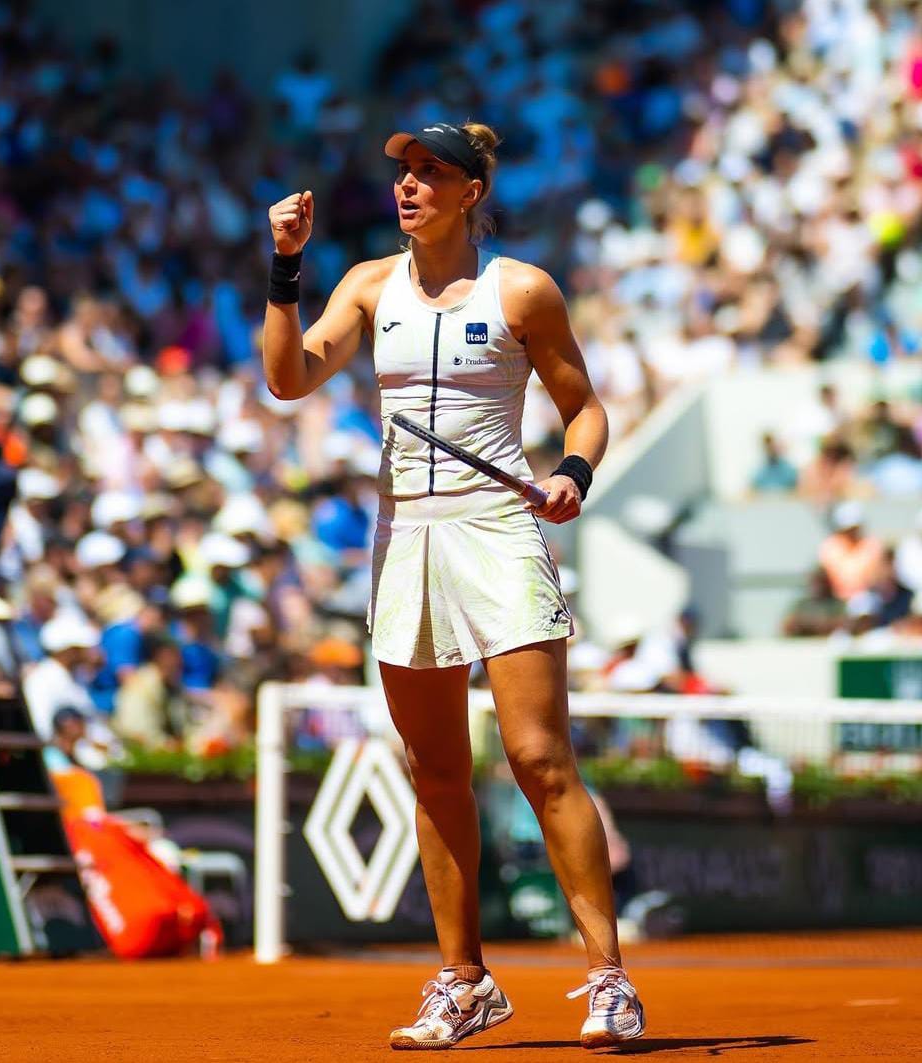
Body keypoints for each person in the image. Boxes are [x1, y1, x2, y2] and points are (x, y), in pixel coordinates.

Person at [262, 121, 644, 1050]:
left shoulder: (523, 288)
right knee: (435, 774)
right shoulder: (363, 284)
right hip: (406, 541)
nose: (410, 186)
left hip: (498, 529)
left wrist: (573, 475)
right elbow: (288, 378)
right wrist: (283, 269)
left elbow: (584, 407)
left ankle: (610, 979)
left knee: (539, 758)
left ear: (472, 191)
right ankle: (464, 981)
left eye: (431, 173)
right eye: (404, 172)